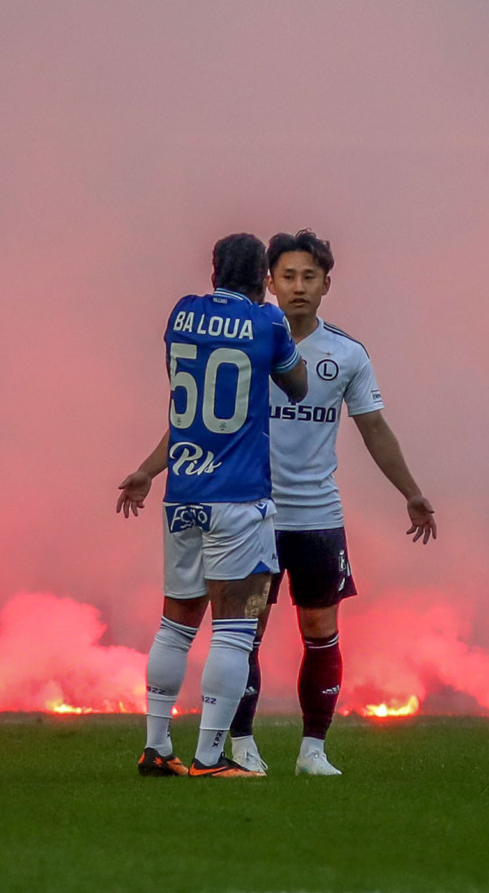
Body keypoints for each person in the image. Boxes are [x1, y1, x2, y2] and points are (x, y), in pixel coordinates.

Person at [119, 229, 436, 776]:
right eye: (286, 276)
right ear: (268, 281)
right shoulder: (255, 335)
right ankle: (238, 745)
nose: (297, 287)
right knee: (243, 634)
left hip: (314, 515)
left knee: (317, 632)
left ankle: (312, 750)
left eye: (308, 277)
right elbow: (202, 422)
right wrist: (149, 467)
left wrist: (411, 492)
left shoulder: (346, 353)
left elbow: (375, 428)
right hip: (249, 510)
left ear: (326, 284)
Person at [120, 233, 307, 778]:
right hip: (238, 496)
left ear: (213, 272)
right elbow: (294, 385)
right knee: (234, 629)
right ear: (264, 278)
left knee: (174, 624)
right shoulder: (268, 322)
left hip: (182, 494)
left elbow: (187, 410)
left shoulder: (182, 315)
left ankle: (157, 747)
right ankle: (208, 757)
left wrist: (146, 470)